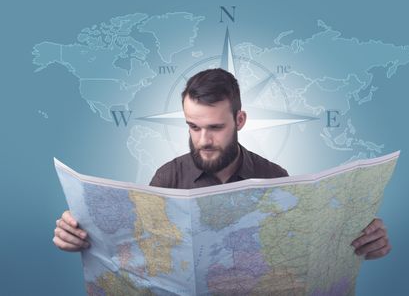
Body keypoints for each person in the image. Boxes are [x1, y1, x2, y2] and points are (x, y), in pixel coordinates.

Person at [53, 68, 391, 260]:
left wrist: (360, 239)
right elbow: (136, 247)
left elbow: (303, 251)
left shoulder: (275, 177)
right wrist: (82, 234)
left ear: (239, 119)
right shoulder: (167, 177)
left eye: (215, 127)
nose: (203, 140)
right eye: (193, 126)